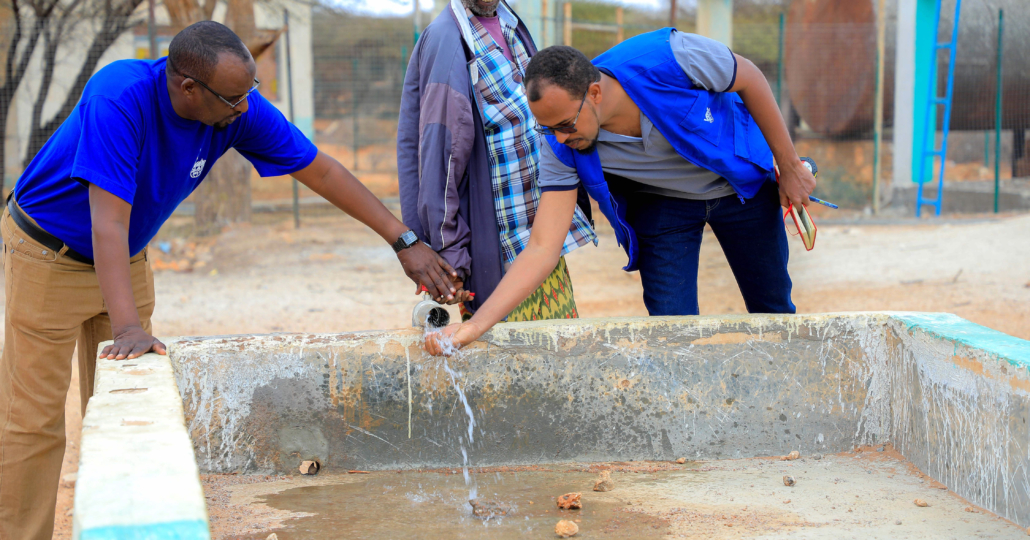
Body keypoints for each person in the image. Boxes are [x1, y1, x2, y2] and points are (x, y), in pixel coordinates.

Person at [0, 21, 456, 538]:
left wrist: (403, 240)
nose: (246, 106)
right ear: (187, 88)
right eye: (235, 96)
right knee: (32, 422)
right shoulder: (119, 97)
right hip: (47, 255)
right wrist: (128, 327)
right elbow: (107, 219)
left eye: (250, 91)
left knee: (123, 410)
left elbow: (320, 170)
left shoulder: (233, 109)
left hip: (124, 260)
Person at [425, 30, 818, 355]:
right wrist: (473, 327)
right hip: (665, 206)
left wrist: (790, 166)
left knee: (773, 310)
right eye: (548, 129)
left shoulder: (668, 56)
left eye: (565, 123)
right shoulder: (560, 144)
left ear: (594, 94)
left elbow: (748, 76)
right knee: (670, 332)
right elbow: (543, 247)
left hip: (740, 189)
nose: (560, 138)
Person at [397, 0, 596, 322]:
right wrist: (451, 252)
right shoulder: (446, 39)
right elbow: (440, 158)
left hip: (539, 232)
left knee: (560, 350)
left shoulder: (510, 24)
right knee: (511, 355)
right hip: (498, 245)